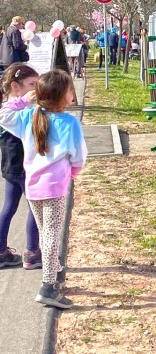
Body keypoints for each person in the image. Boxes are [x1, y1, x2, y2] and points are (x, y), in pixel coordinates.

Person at [0, 69, 87, 309]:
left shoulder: (29, 116)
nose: (72, 94)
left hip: (33, 186)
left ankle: (54, 269)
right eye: (70, 90)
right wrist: (72, 173)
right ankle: (48, 286)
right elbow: (79, 157)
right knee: (51, 236)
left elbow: (4, 115)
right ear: (62, 95)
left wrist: (22, 101)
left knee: (44, 230)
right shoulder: (70, 122)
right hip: (55, 188)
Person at [0, 64, 40, 269]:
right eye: (32, 84)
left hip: (10, 166)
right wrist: (26, 101)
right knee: (35, 207)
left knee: (9, 206)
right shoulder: (10, 110)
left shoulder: (18, 108)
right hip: (22, 166)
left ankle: (1, 252)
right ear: (15, 86)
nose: (36, 89)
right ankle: (32, 253)